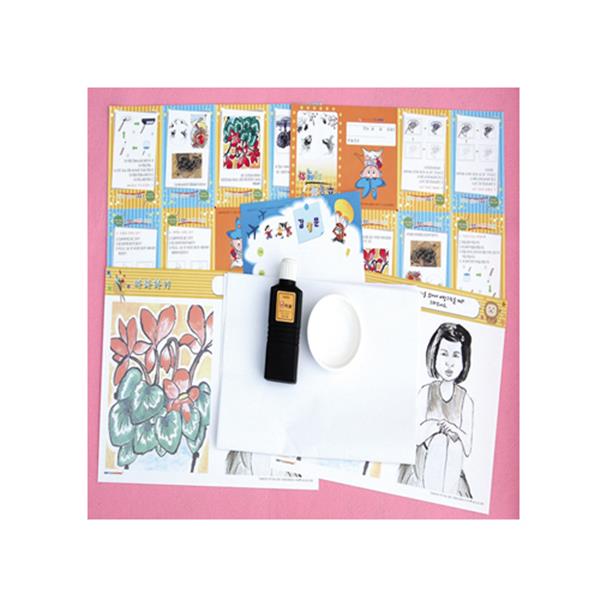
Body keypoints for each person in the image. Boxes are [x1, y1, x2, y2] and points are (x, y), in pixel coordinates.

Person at [398, 323, 474, 496]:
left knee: (453, 446)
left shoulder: (466, 400)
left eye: (456, 356)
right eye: (444, 354)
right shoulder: (426, 392)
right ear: (434, 355)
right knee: (439, 441)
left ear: (464, 361)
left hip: (450, 469)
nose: (449, 363)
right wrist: (436, 426)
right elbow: (414, 436)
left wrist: (453, 430)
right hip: (422, 467)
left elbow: (468, 447)